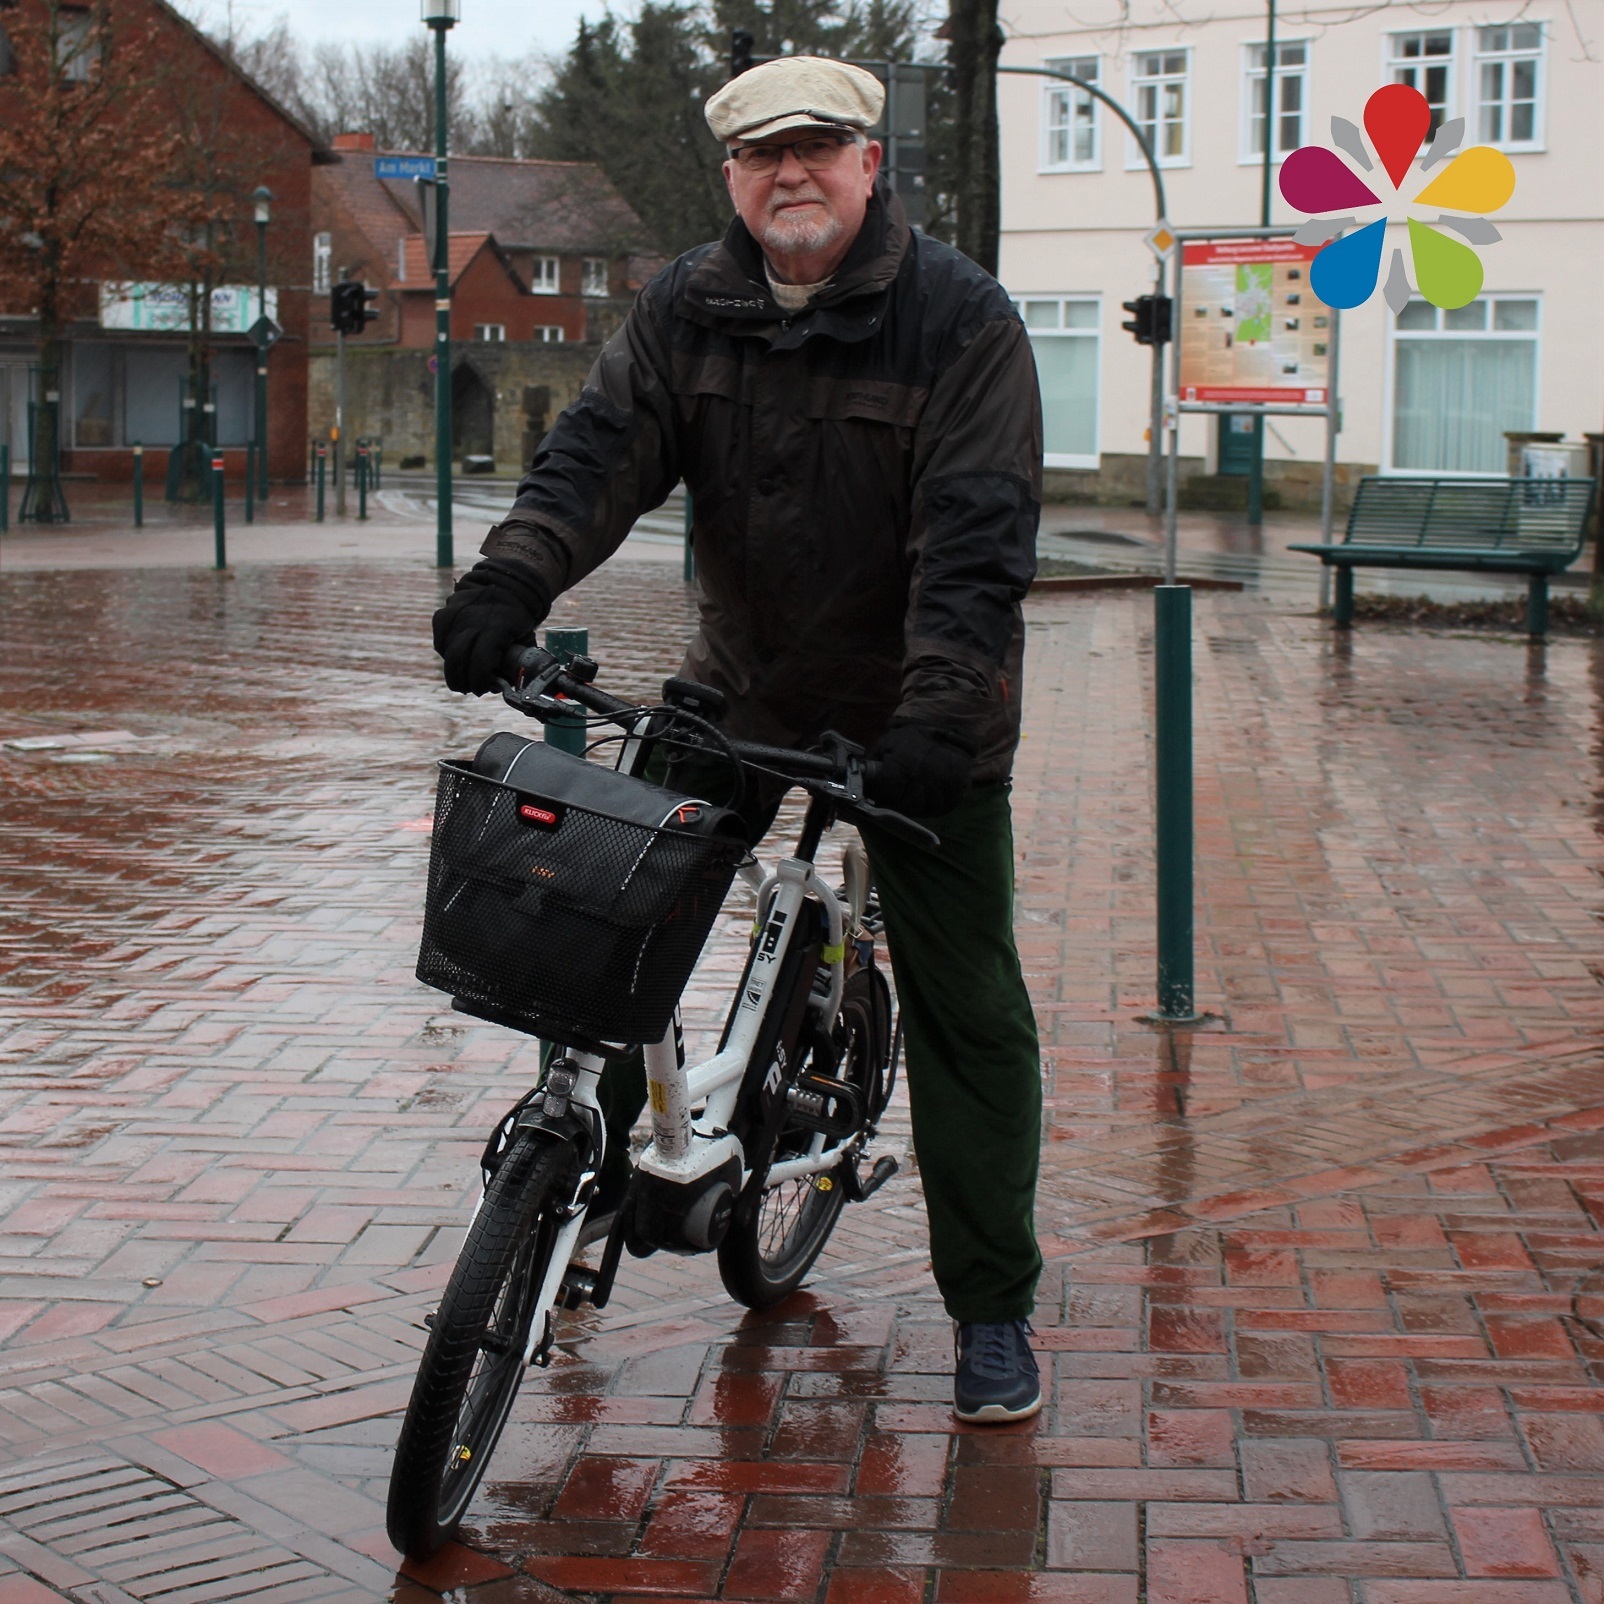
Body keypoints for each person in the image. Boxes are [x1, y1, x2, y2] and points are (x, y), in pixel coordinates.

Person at [432, 54, 1045, 1423]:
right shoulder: (688, 306)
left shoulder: (962, 321)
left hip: (922, 724)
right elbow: (595, 455)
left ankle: (993, 1306)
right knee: (593, 932)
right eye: (764, 154)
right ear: (732, 176)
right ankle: (574, 1192)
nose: (791, 174)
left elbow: (977, 546)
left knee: (971, 1014)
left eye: (818, 148)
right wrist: (508, 582)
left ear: (870, 164)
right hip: (739, 690)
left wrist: (939, 721)